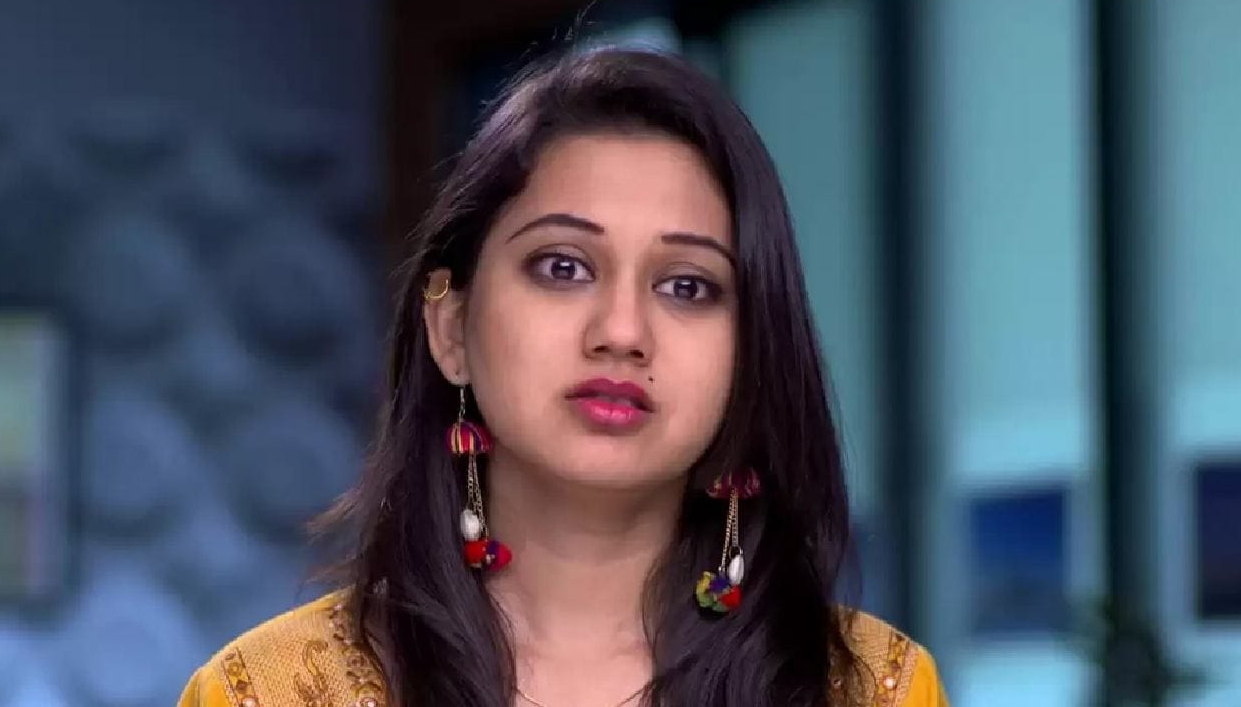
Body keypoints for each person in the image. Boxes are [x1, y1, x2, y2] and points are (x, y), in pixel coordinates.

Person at [178, 46, 946, 707]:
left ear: (750, 358)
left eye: (687, 286)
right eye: (563, 267)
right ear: (451, 328)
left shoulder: (872, 688)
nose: (622, 332)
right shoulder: (266, 691)